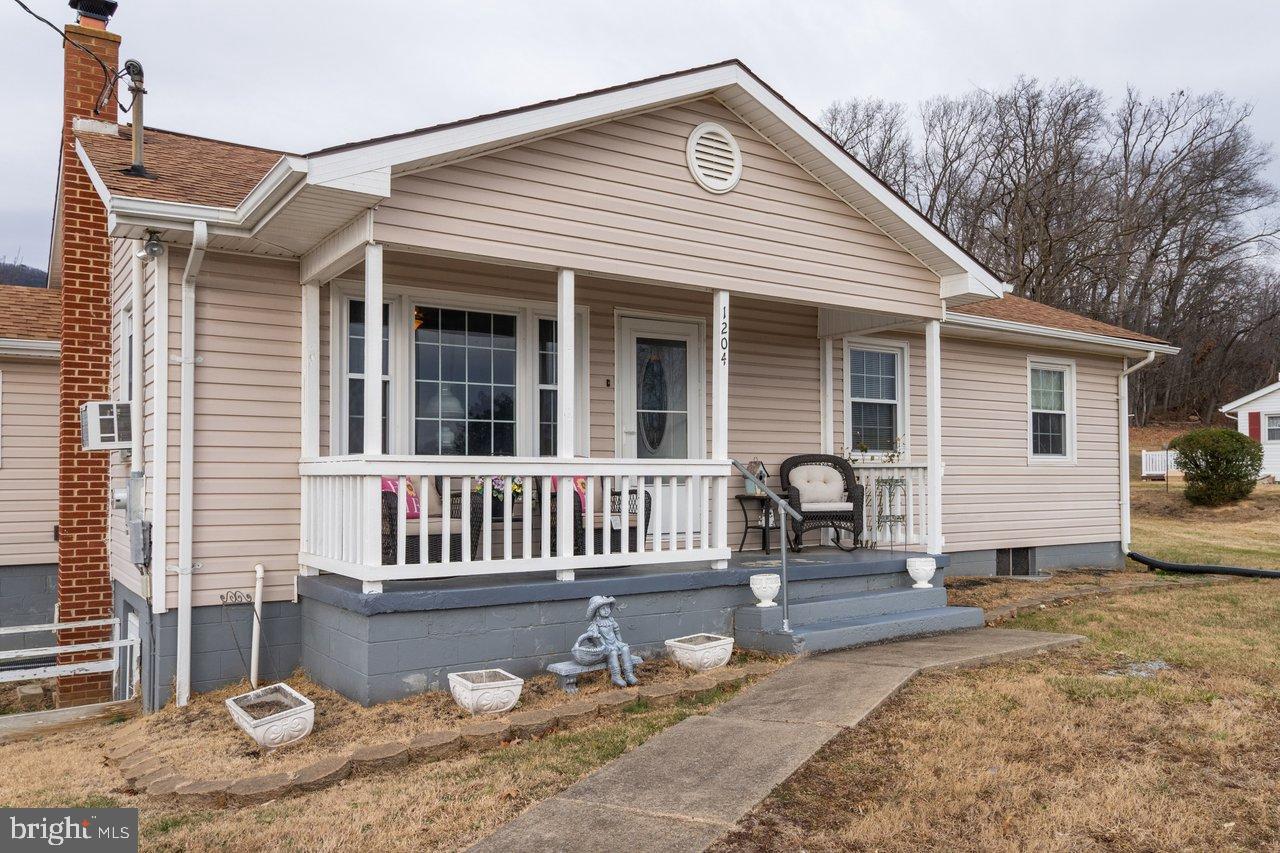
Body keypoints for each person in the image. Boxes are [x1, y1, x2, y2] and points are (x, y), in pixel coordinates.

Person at [573, 595, 638, 688]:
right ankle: (616, 676)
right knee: (613, 652)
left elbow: (616, 632)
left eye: (607, 607)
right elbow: (592, 638)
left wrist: (620, 642)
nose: (606, 610)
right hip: (604, 646)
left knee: (625, 648)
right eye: (603, 608)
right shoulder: (595, 624)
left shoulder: (611, 620)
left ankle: (629, 674)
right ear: (597, 611)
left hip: (614, 643)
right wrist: (596, 637)